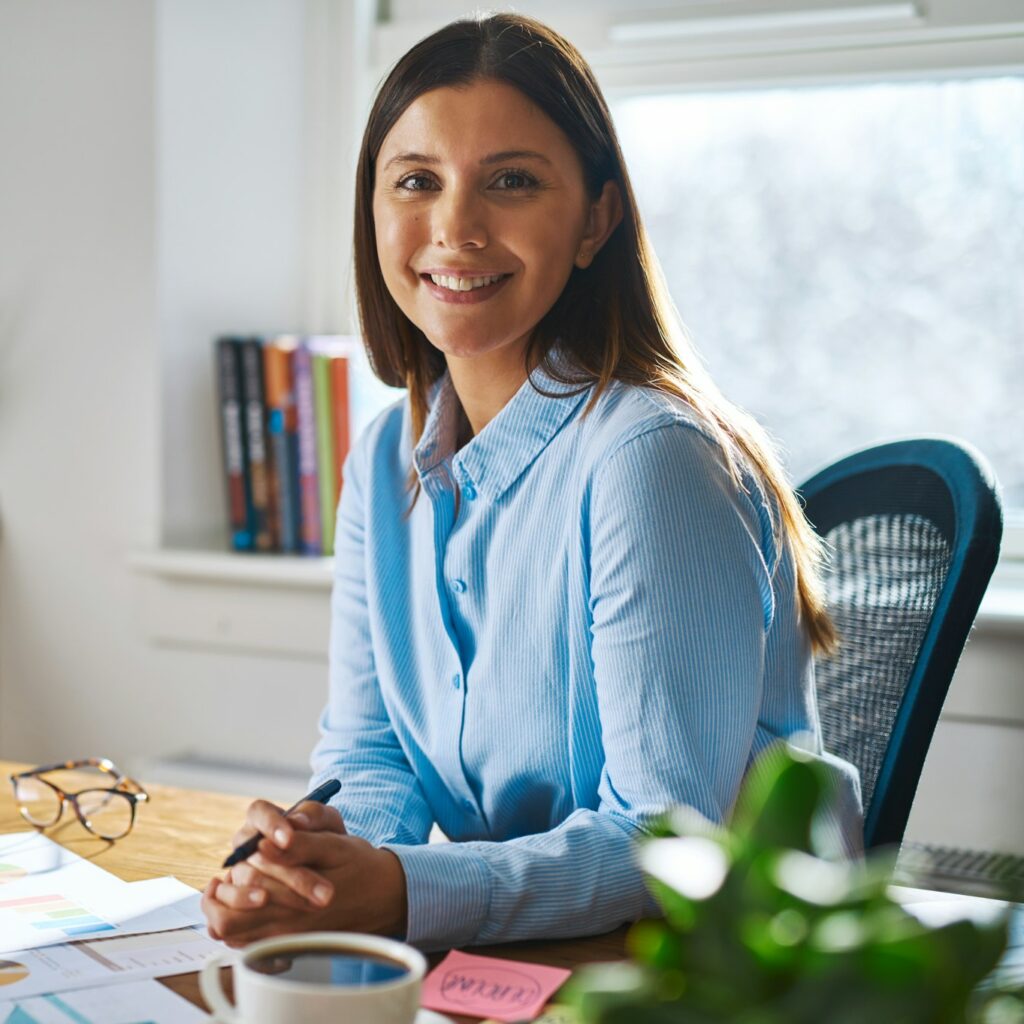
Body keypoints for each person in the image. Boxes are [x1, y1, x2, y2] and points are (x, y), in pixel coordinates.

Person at [201, 12, 862, 952]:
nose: (456, 227)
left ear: (596, 218)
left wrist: (397, 889)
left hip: (715, 970)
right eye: (417, 182)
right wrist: (313, 866)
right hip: (526, 956)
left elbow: (667, 844)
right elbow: (370, 758)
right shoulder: (383, 459)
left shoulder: (650, 456)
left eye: (511, 181)